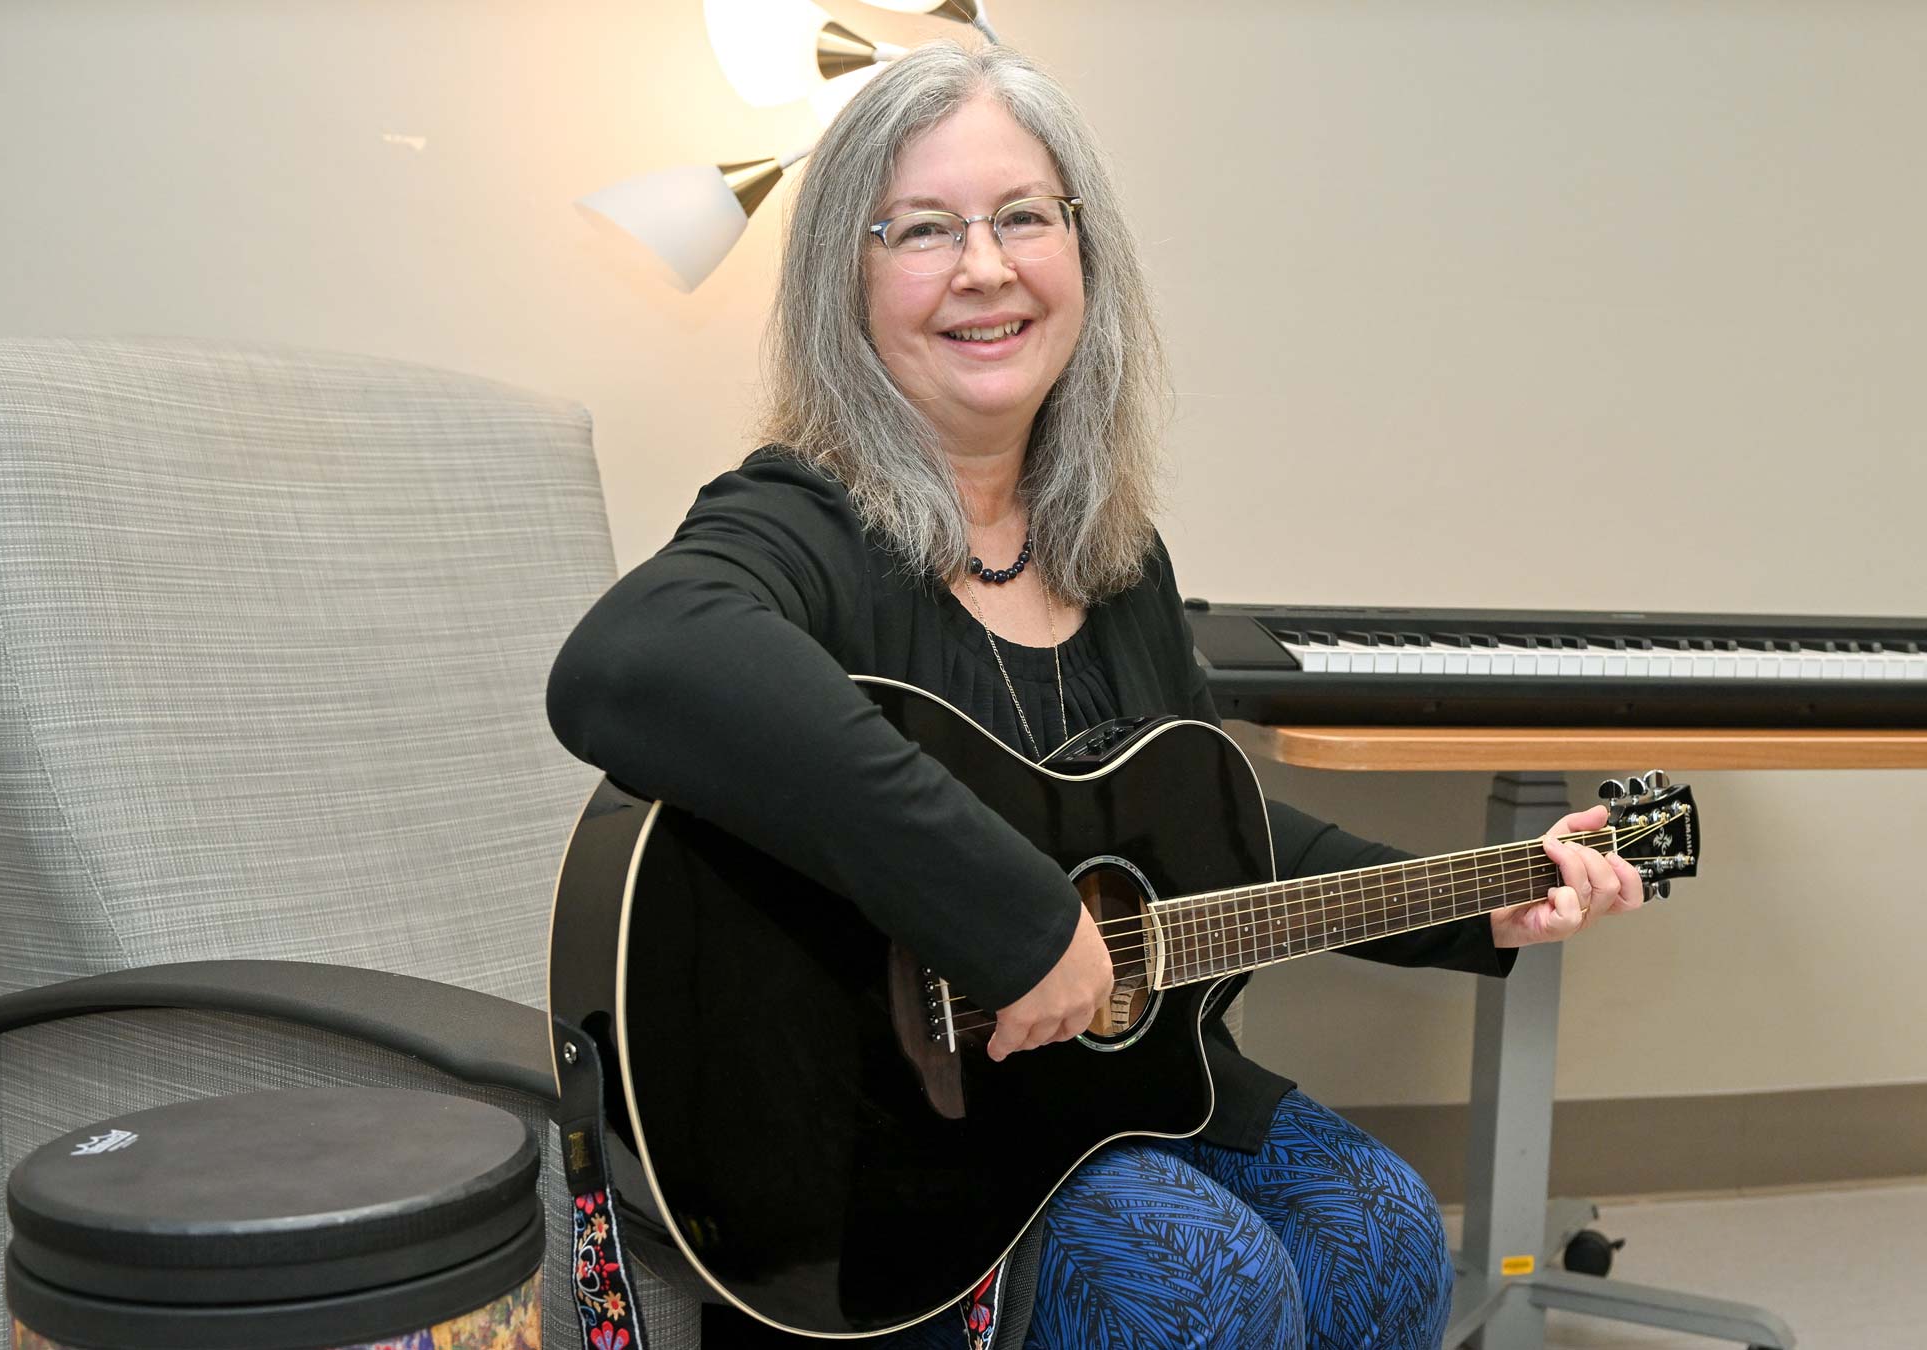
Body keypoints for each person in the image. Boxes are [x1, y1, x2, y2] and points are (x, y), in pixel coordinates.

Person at [546, 40, 1645, 1350]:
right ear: (846, 275)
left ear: (1085, 253)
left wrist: (1483, 899)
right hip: (887, 1151)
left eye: (1023, 216)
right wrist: (1014, 920)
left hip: (1114, 1088)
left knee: (1387, 1235)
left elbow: (1208, 833)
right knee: (1207, 1289)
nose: (986, 266)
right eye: (921, 229)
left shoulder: (1114, 557)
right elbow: (635, 654)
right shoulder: (804, 516)